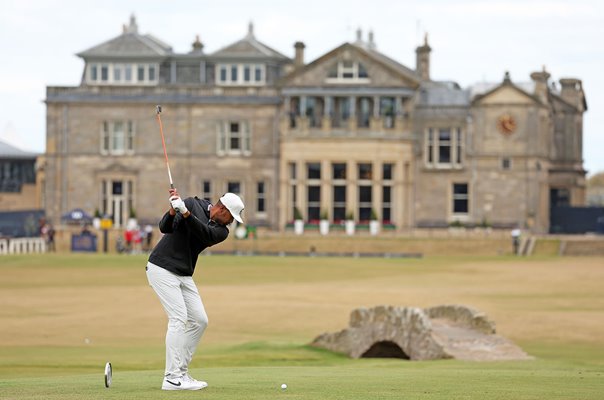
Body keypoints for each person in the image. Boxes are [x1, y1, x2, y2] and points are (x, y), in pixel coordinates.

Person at [146, 188, 244, 391]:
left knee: (200, 320)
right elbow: (165, 228)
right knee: (178, 319)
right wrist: (174, 210)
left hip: (183, 273)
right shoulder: (192, 203)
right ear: (222, 209)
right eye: (231, 217)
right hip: (161, 267)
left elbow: (204, 234)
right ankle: (172, 378)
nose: (231, 223)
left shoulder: (221, 232)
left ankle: (181, 372)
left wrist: (186, 214)